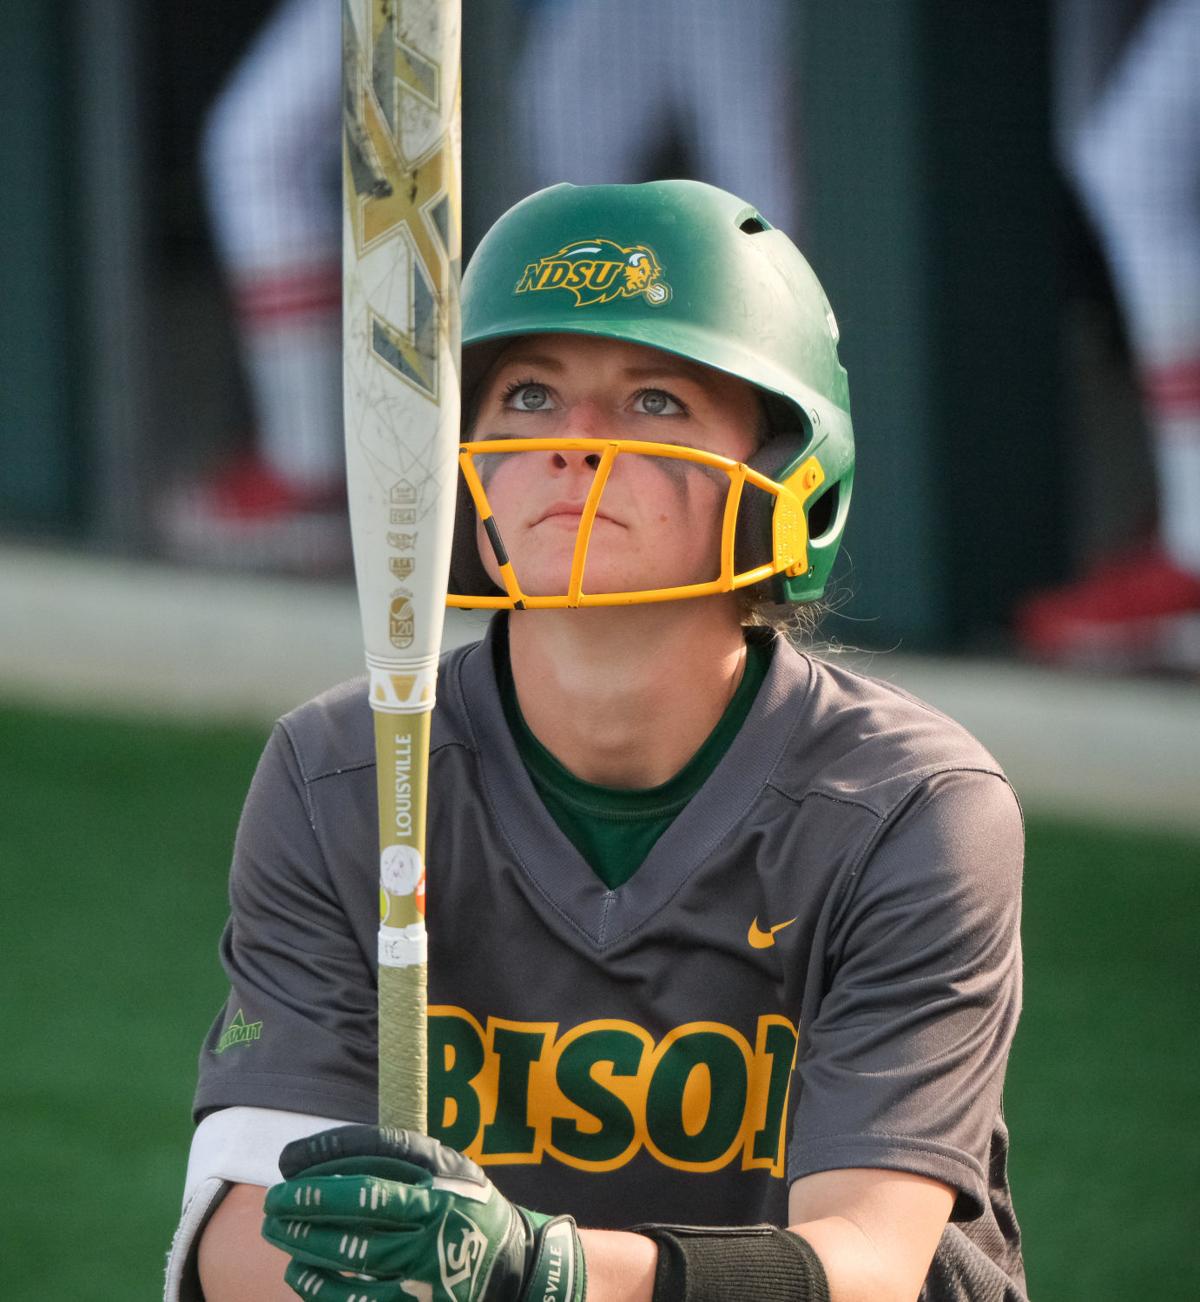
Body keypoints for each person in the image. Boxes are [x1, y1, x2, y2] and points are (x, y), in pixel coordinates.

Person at [166, 182, 1027, 1301]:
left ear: (782, 471)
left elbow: (865, 1265)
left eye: (656, 401)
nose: (574, 444)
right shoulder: (342, 773)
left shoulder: (912, 808)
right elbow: (244, 1246)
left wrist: (541, 1271)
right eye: (528, 394)